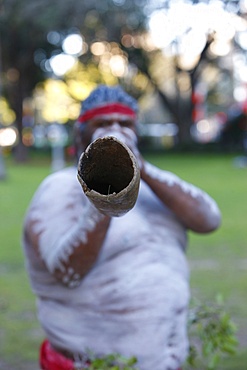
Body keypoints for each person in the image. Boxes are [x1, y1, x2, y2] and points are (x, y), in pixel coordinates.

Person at [22, 85, 221, 370]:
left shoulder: (157, 187)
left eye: (125, 123)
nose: (115, 130)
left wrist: (143, 169)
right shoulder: (58, 189)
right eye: (102, 123)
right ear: (82, 134)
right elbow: (68, 270)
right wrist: (106, 186)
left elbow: (209, 219)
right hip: (92, 363)